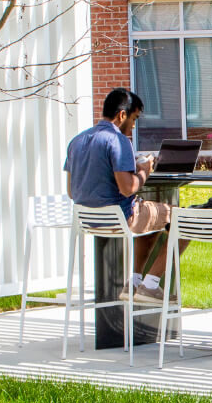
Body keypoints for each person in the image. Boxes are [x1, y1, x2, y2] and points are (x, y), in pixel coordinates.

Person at [63, 88, 181, 301]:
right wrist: (144, 169)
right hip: (121, 219)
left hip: (87, 221)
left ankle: (134, 283)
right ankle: (151, 284)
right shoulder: (118, 140)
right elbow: (127, 188)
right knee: (182, 218)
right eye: (134, 118)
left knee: (156, 218)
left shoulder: (77, 141)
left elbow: (72, 191)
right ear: (122, 115)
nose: (134, 126)